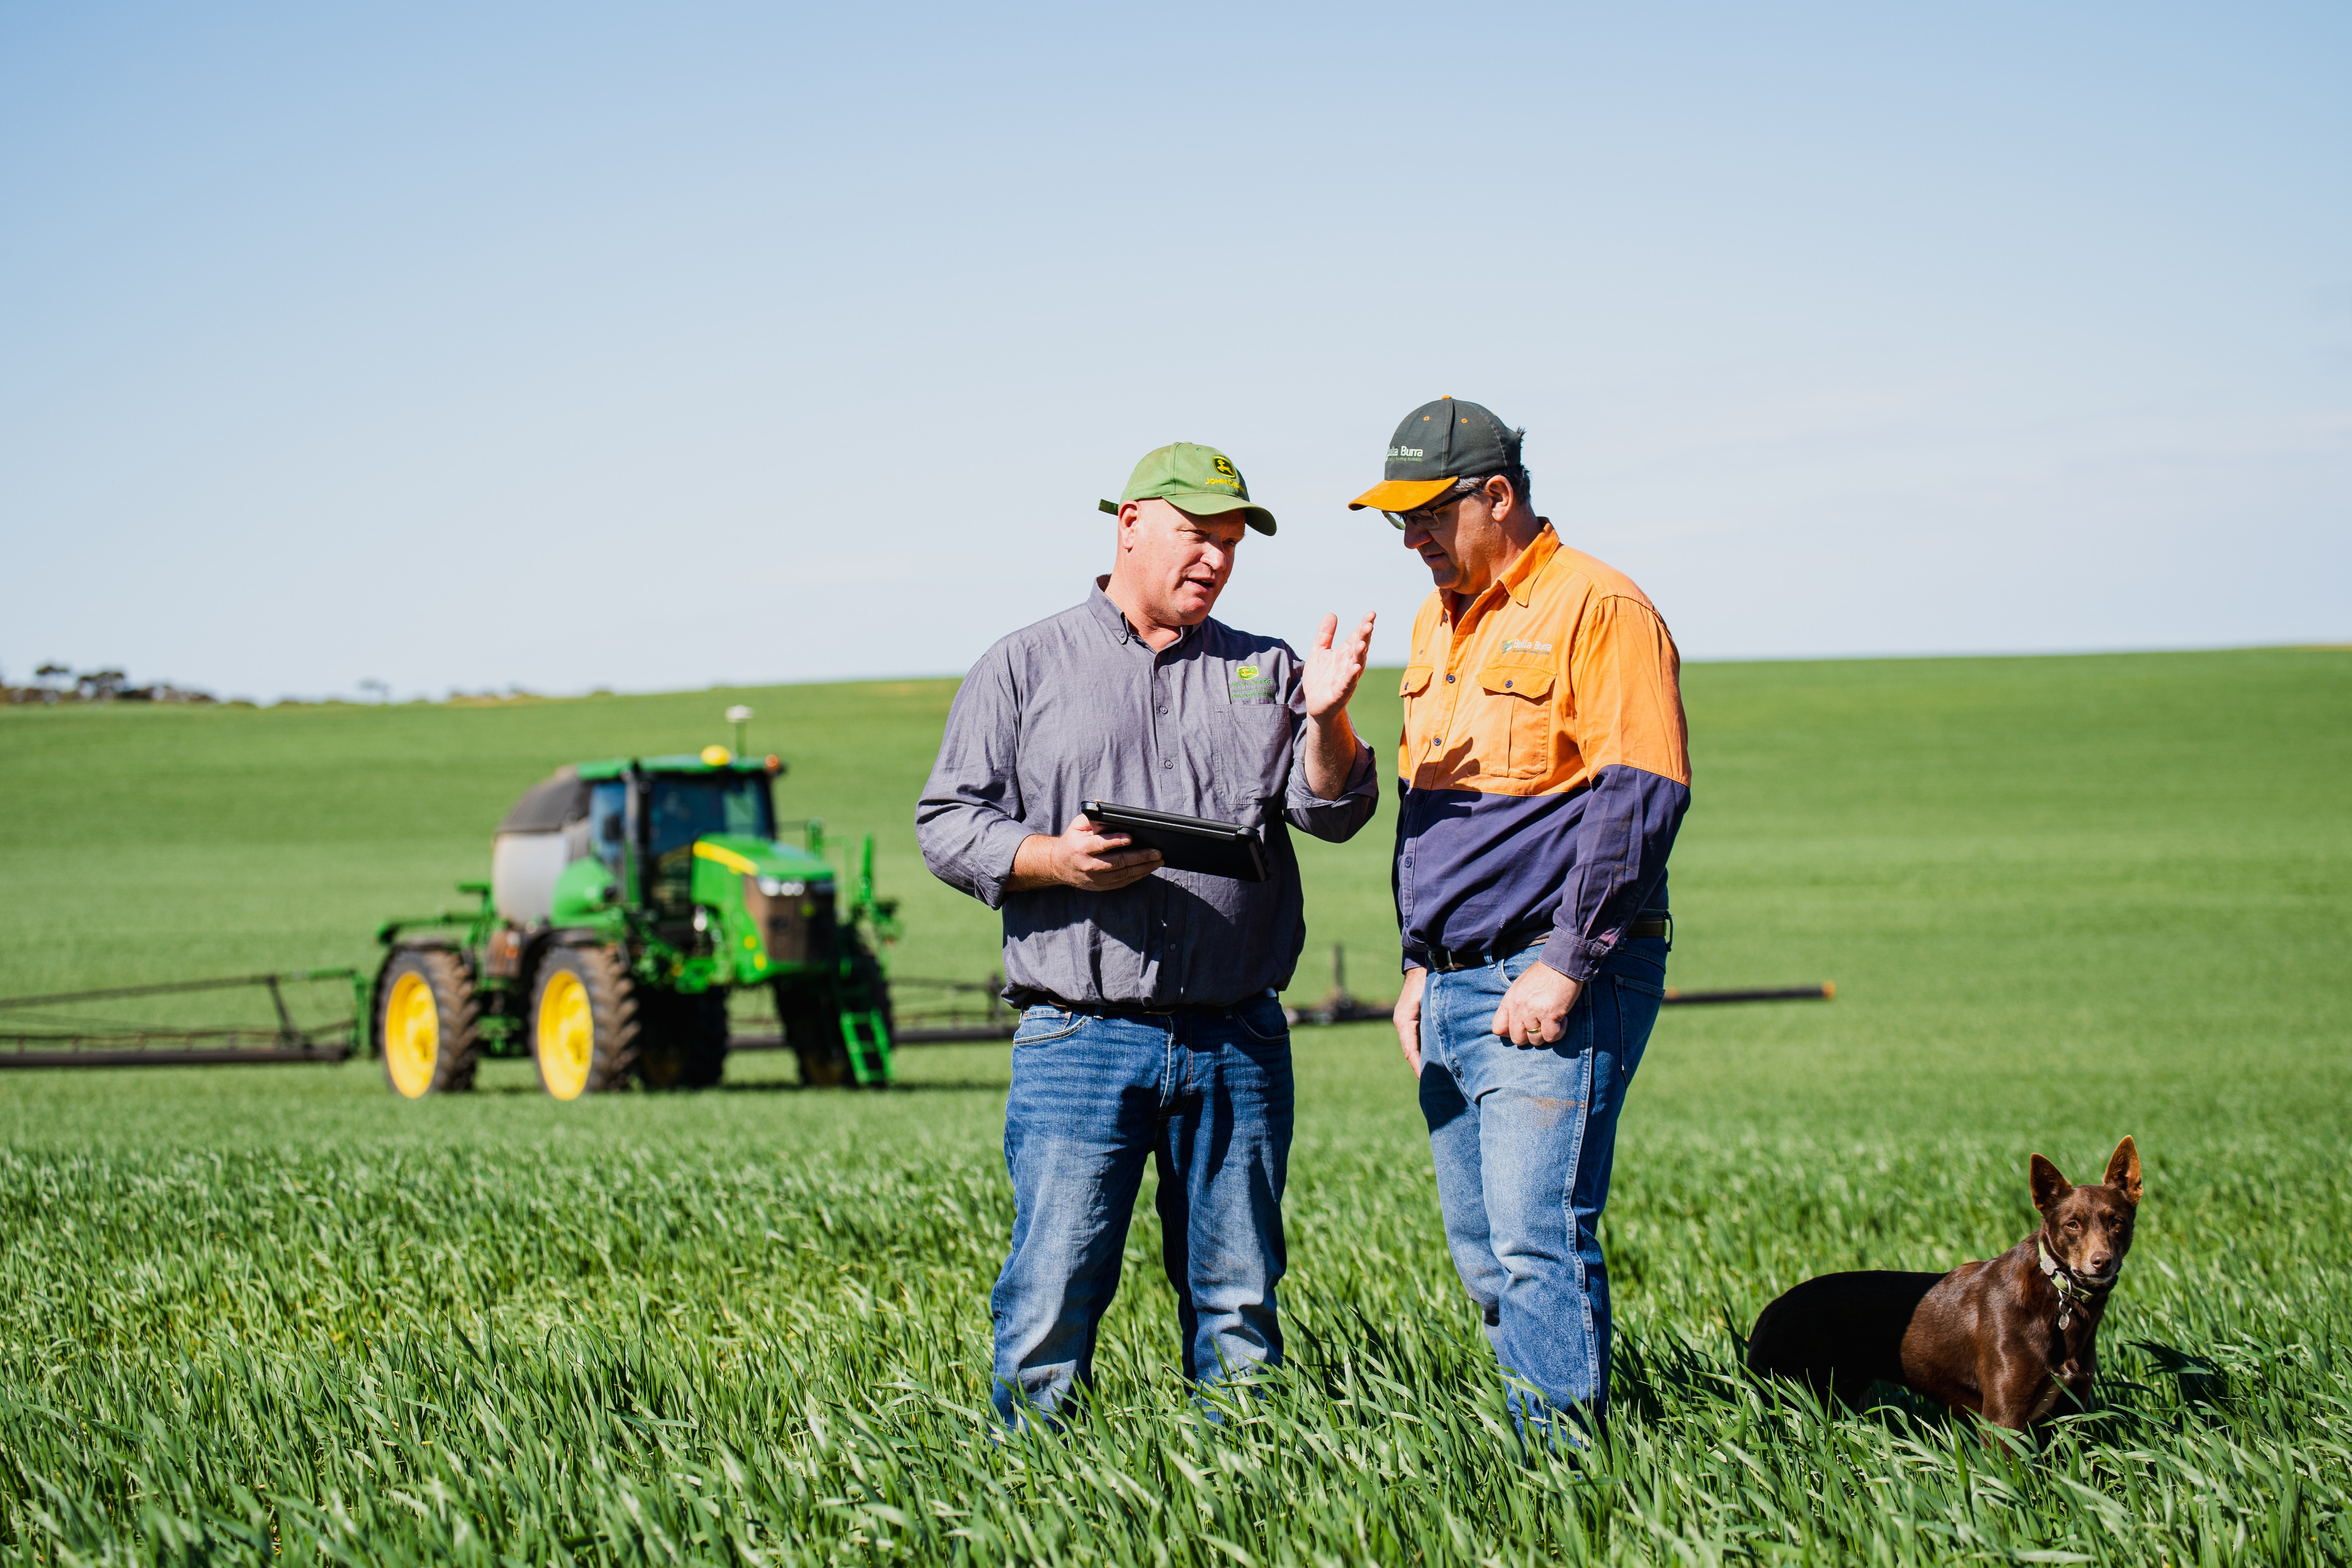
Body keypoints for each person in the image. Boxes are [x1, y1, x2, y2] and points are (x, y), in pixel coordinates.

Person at [919, 441, 1380, 1427]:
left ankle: (1238, 1489)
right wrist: (1052, 858)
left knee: (1239, 1300)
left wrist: (1330, 720)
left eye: (1228, 542)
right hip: (1080, 1035)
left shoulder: (1267, 666)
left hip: (1237, 1036)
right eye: (1194, 535)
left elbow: (1332, 811)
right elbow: (946, 822)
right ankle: (1029, 1495)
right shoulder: (1025, 662)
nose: (1213, 558)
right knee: (1050, 1296)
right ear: (1129, 524)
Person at [1348, 397, 1691, 1437]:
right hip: (1452, 981)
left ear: (1497, 495)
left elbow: (1643, 791)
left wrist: (1568, 960)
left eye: (1429, 515)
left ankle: (1566, 1480)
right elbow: (1427, 813)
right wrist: (1418, 963)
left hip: (1550, 970)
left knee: (1540, 1234)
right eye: (1396, 520)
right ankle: (1535, 1448)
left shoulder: (1598, 606)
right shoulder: (1436, 620)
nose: (1411, 539)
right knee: (1483, 1248)